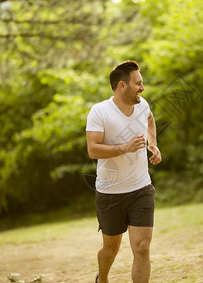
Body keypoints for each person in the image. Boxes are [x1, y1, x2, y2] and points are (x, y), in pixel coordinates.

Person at [86, 60, 162, 283]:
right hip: (110, 193)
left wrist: (153, 144)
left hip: (141, 189)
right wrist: (125, 148)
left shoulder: (142, 105)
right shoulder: (99, 112)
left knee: (142, 246)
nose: (143, 88)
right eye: (138, 83)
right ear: (122, 86)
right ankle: (103, 278)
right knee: (110, 249)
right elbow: (93, 150)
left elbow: (150, 119)